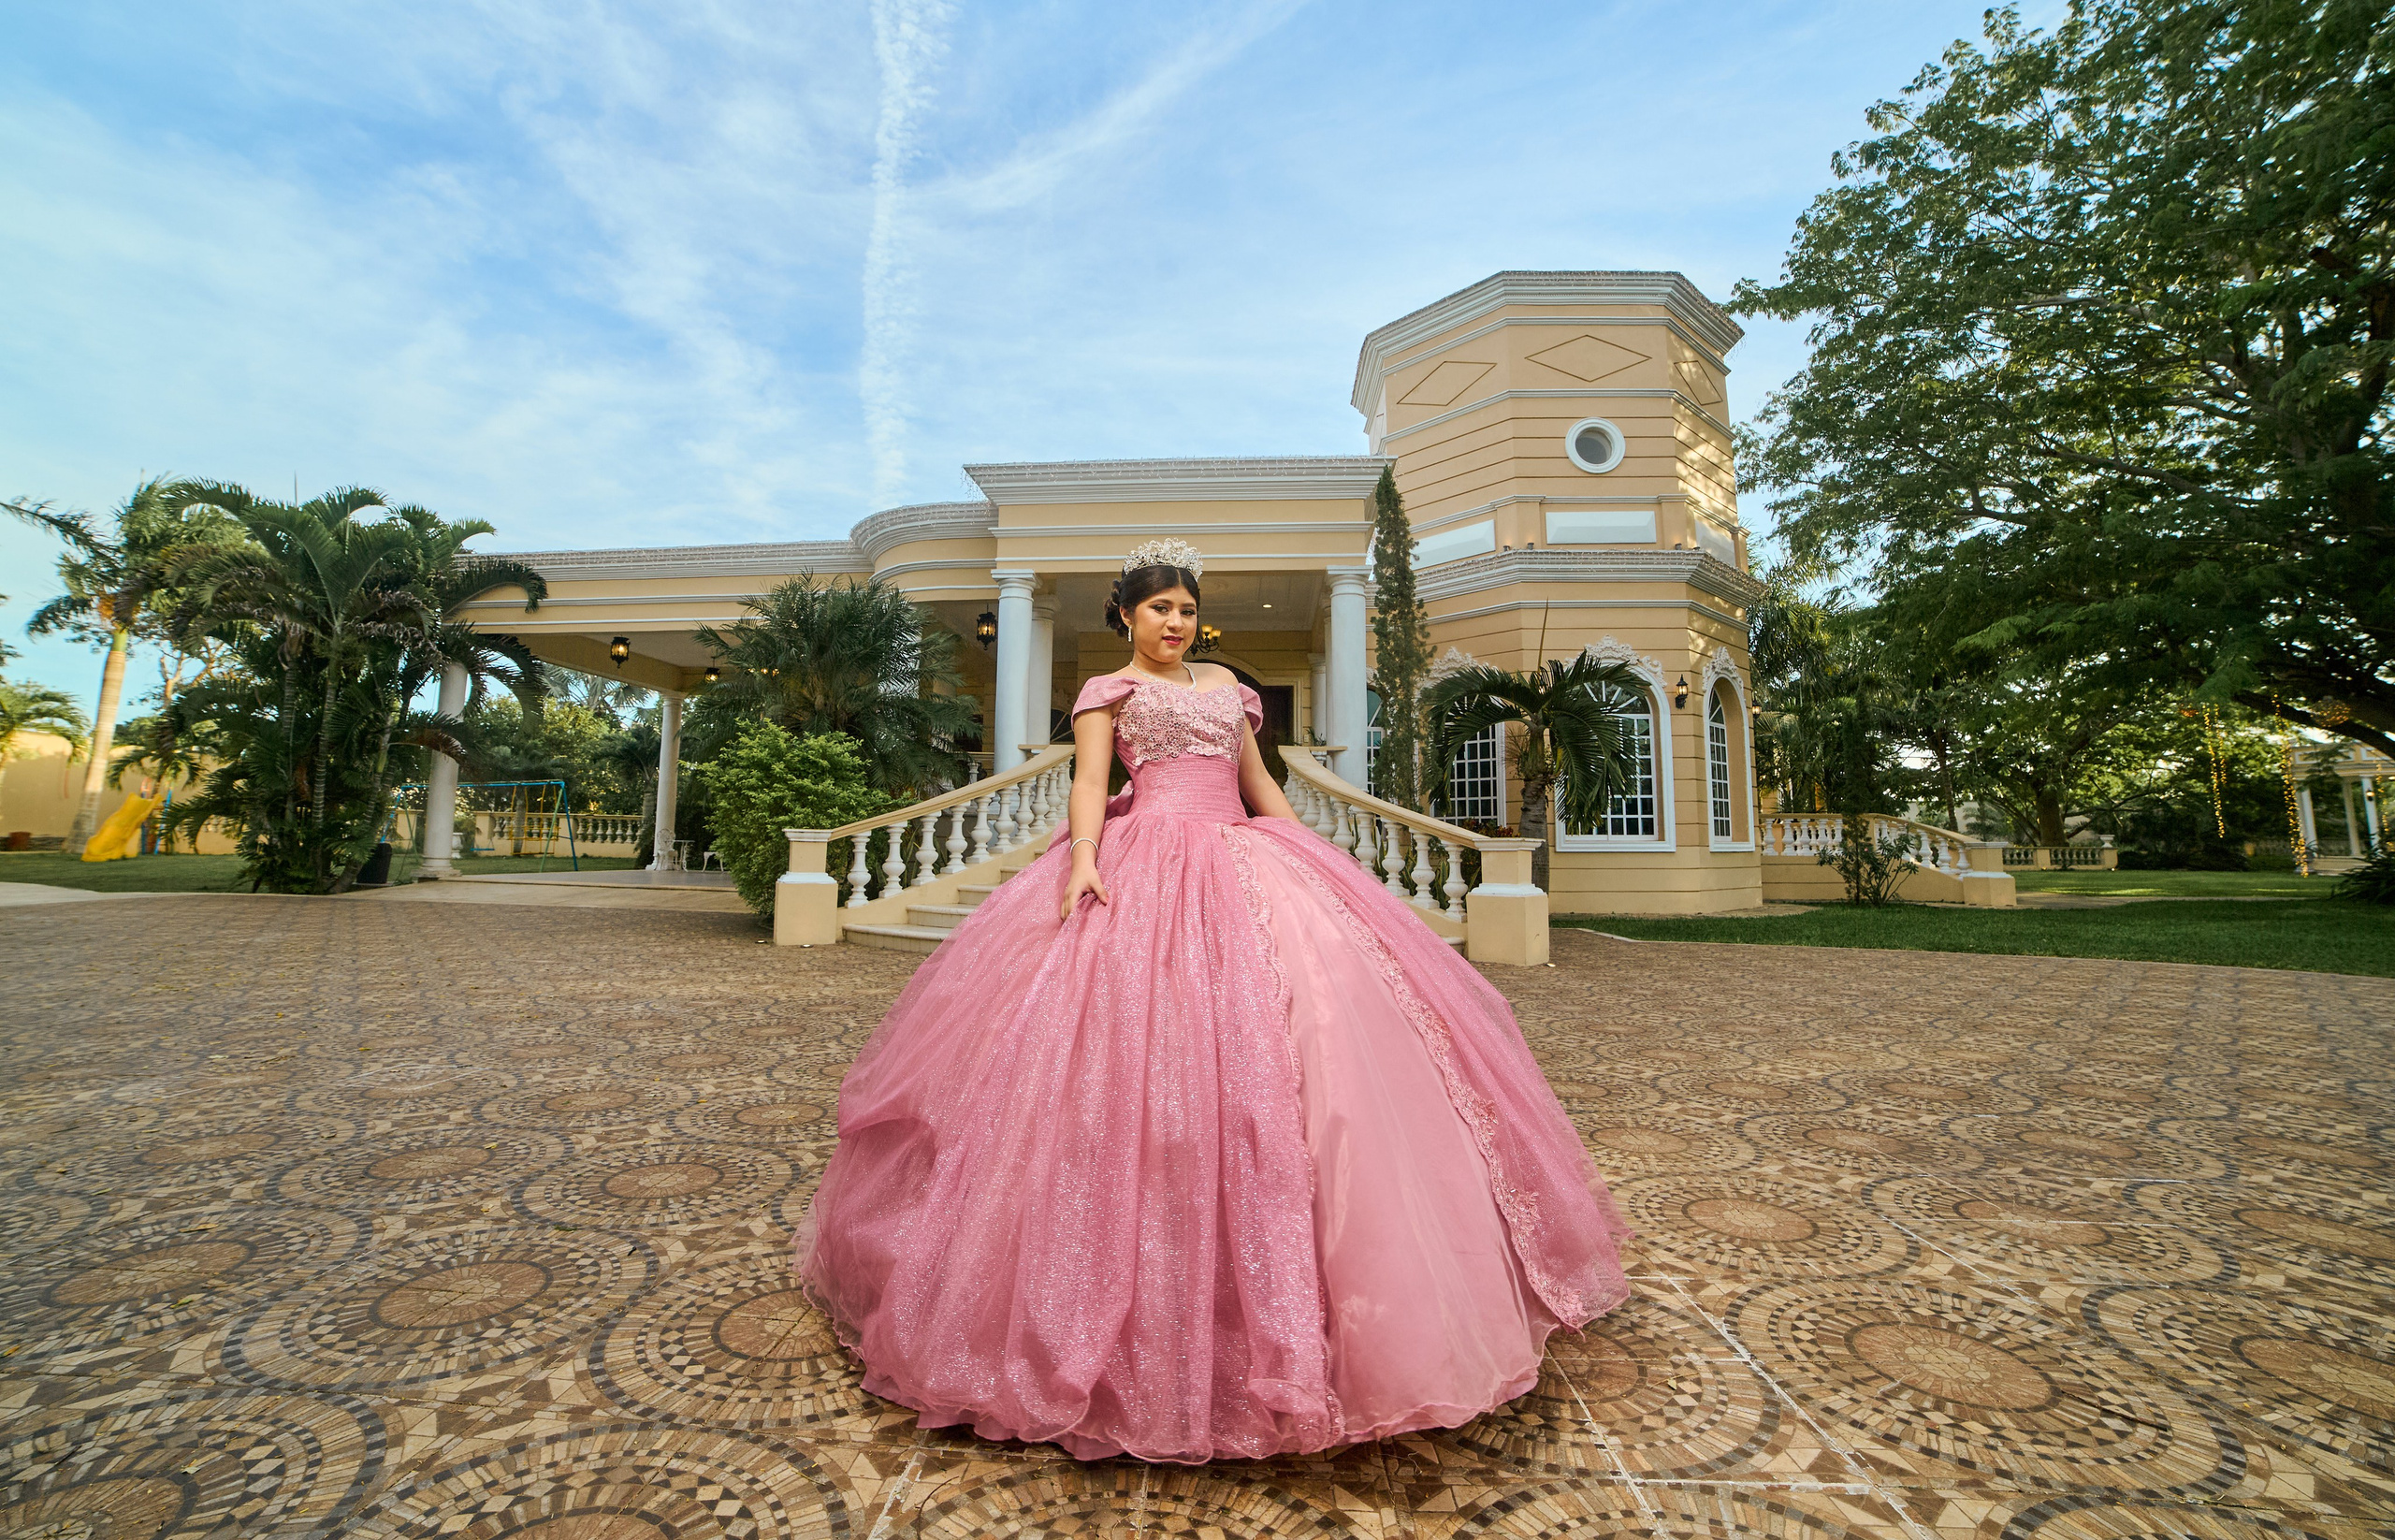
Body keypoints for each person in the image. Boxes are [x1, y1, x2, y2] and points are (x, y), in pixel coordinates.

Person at [795, 538, 1630, 1463]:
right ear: (1126, 617)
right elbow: (1088, 782)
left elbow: (1260, 782)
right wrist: (1081, 859)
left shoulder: (1232, 690)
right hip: (1145, 856)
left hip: (1244, 856)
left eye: (1185, 608)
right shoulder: (1107, 693)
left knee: (1305, 1052)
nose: (1174, 622)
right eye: (1158, 609)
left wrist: (1318, 860)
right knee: (1127, 1062)